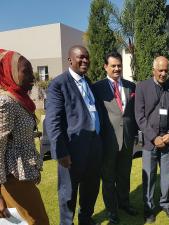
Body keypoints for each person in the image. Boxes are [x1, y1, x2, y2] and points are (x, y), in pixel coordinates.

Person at [45, 45, 102, 225]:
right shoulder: (59, 84)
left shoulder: (88, 82)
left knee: (91, 188)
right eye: (80, 57)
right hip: (71, 151)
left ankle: (85, 219)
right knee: (68, 193)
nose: (85, 60)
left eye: (87, 57)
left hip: (94, 147)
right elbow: (52, 121)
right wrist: (60, 151)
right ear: (70, 60)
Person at [0, 49, 49, 225]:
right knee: (38, 221)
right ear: (10, 72)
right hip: (12, 179)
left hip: (23, 176)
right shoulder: (6, 102)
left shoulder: (19, 100)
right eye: (25, 71)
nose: (32, 77)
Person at [135, 56, 169, 223]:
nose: (163, 73)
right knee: (149, 175)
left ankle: (165, 203)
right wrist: (154, 137)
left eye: (166, 70)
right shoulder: (142, 87)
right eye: (160, 70)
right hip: (150, 141)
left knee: (167, 175)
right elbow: (139, 117)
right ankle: (148, 207)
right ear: (153, 70)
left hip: (168, 140)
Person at [93, 52, 138, 224]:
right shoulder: (97, 88)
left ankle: (124, 203)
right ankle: (112, 212)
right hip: (108, 142)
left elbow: (131, 114)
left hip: (127, 140)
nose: (117, 68)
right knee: (109, 179)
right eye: (113, 66)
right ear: (105, 67)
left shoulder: (131, 86)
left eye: (119, 65)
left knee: (124, 176)